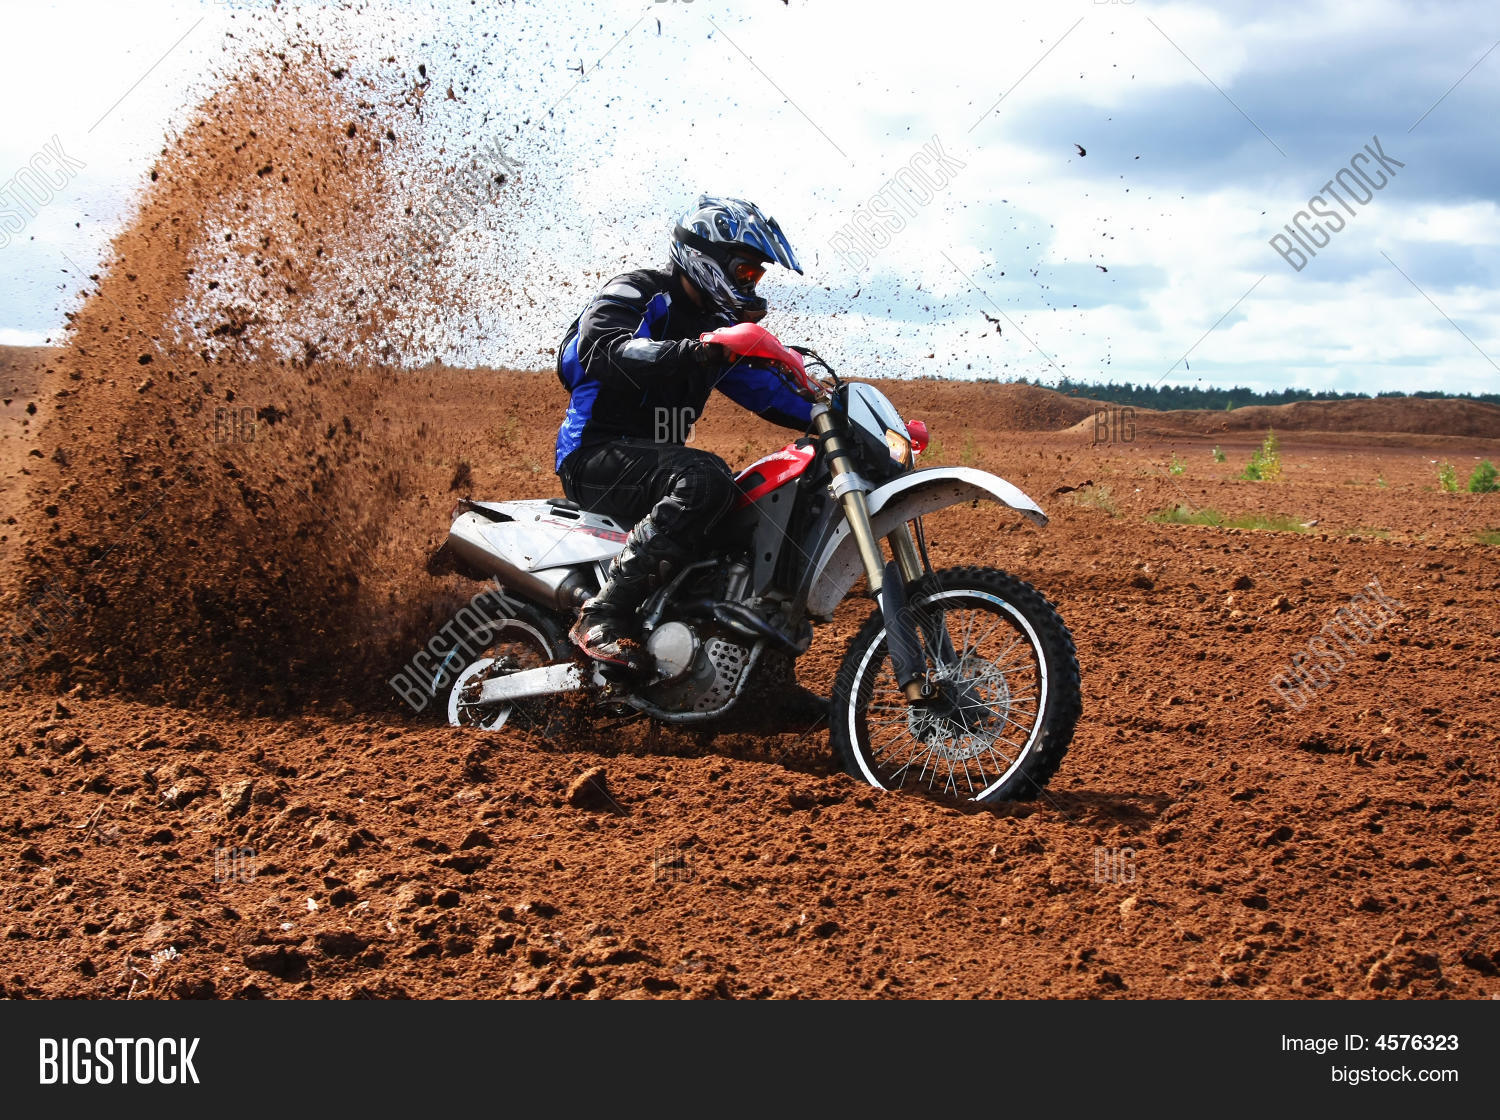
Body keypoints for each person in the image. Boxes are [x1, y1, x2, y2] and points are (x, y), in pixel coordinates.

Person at [554, 196, 812, 672]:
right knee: (706, 478)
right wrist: (696, 352)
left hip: (655, 465)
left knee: (755, 506)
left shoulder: (719, 330)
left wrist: (827, 411)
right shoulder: (638, 293)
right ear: (706, 256)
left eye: (756, 276)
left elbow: (767, 392)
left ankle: (753, 674)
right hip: (594, 455)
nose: (750, 283)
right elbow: (599, 350)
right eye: (745, 271)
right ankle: (601, 615)